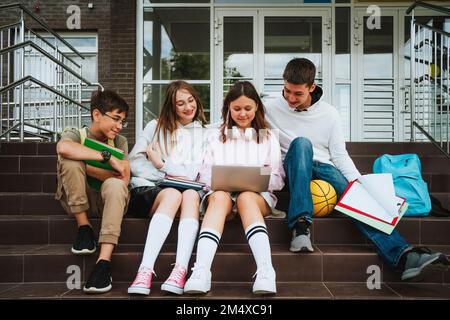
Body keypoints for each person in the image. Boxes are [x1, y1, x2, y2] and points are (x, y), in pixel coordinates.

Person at [265, 58, 450, 281]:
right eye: (287, 91)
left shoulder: (329, 114)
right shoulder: (270, 108)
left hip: (324, 166)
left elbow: (339, 154)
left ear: (312, 87)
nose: (291, 99)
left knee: (358, 197)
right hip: (294, 164)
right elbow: (238, 118)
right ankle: (301, 226)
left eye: (298, 94)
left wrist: (360, 183)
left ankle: (403, 256)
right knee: (302, 143)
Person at [184, 81, 285, 295]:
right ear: (228, 108)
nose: (242, 114)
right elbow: (205, 174)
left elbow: (278, 179)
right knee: (219, 197)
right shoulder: (215, 136)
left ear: (257, 107)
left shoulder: (268, 137)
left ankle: (266, 271)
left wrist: (256, 177)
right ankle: (201, 271)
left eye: (247, 108)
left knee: (246, 197)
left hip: (257, 198)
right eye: (236, 109)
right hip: (222, 197)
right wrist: (225, 181)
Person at [127, 80, 208, 295]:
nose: (188, 107)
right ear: (172, 107)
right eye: (180, 103)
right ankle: (145, 270)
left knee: (190, 194)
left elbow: (193, 174)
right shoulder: (155, 126)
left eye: (191, 100)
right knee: (172, 193)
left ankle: (179, 271)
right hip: (149, 190)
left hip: (187, 191)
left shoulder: (203, 133)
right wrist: (165, 176)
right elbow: (134, 162)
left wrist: (160, 163)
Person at [55, 89, 130, 293]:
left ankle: (103, 263)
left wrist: (87, 166)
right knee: (70, 160)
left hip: (108, 202)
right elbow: (63, 148)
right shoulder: (75, 133)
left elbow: (124, 178)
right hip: (79, 201)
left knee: (116, 185)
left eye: (123, 121)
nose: (119, 126)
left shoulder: (120, 142)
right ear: (97, 115)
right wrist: (107, 158)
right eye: (116, 119)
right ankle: (84, 228)